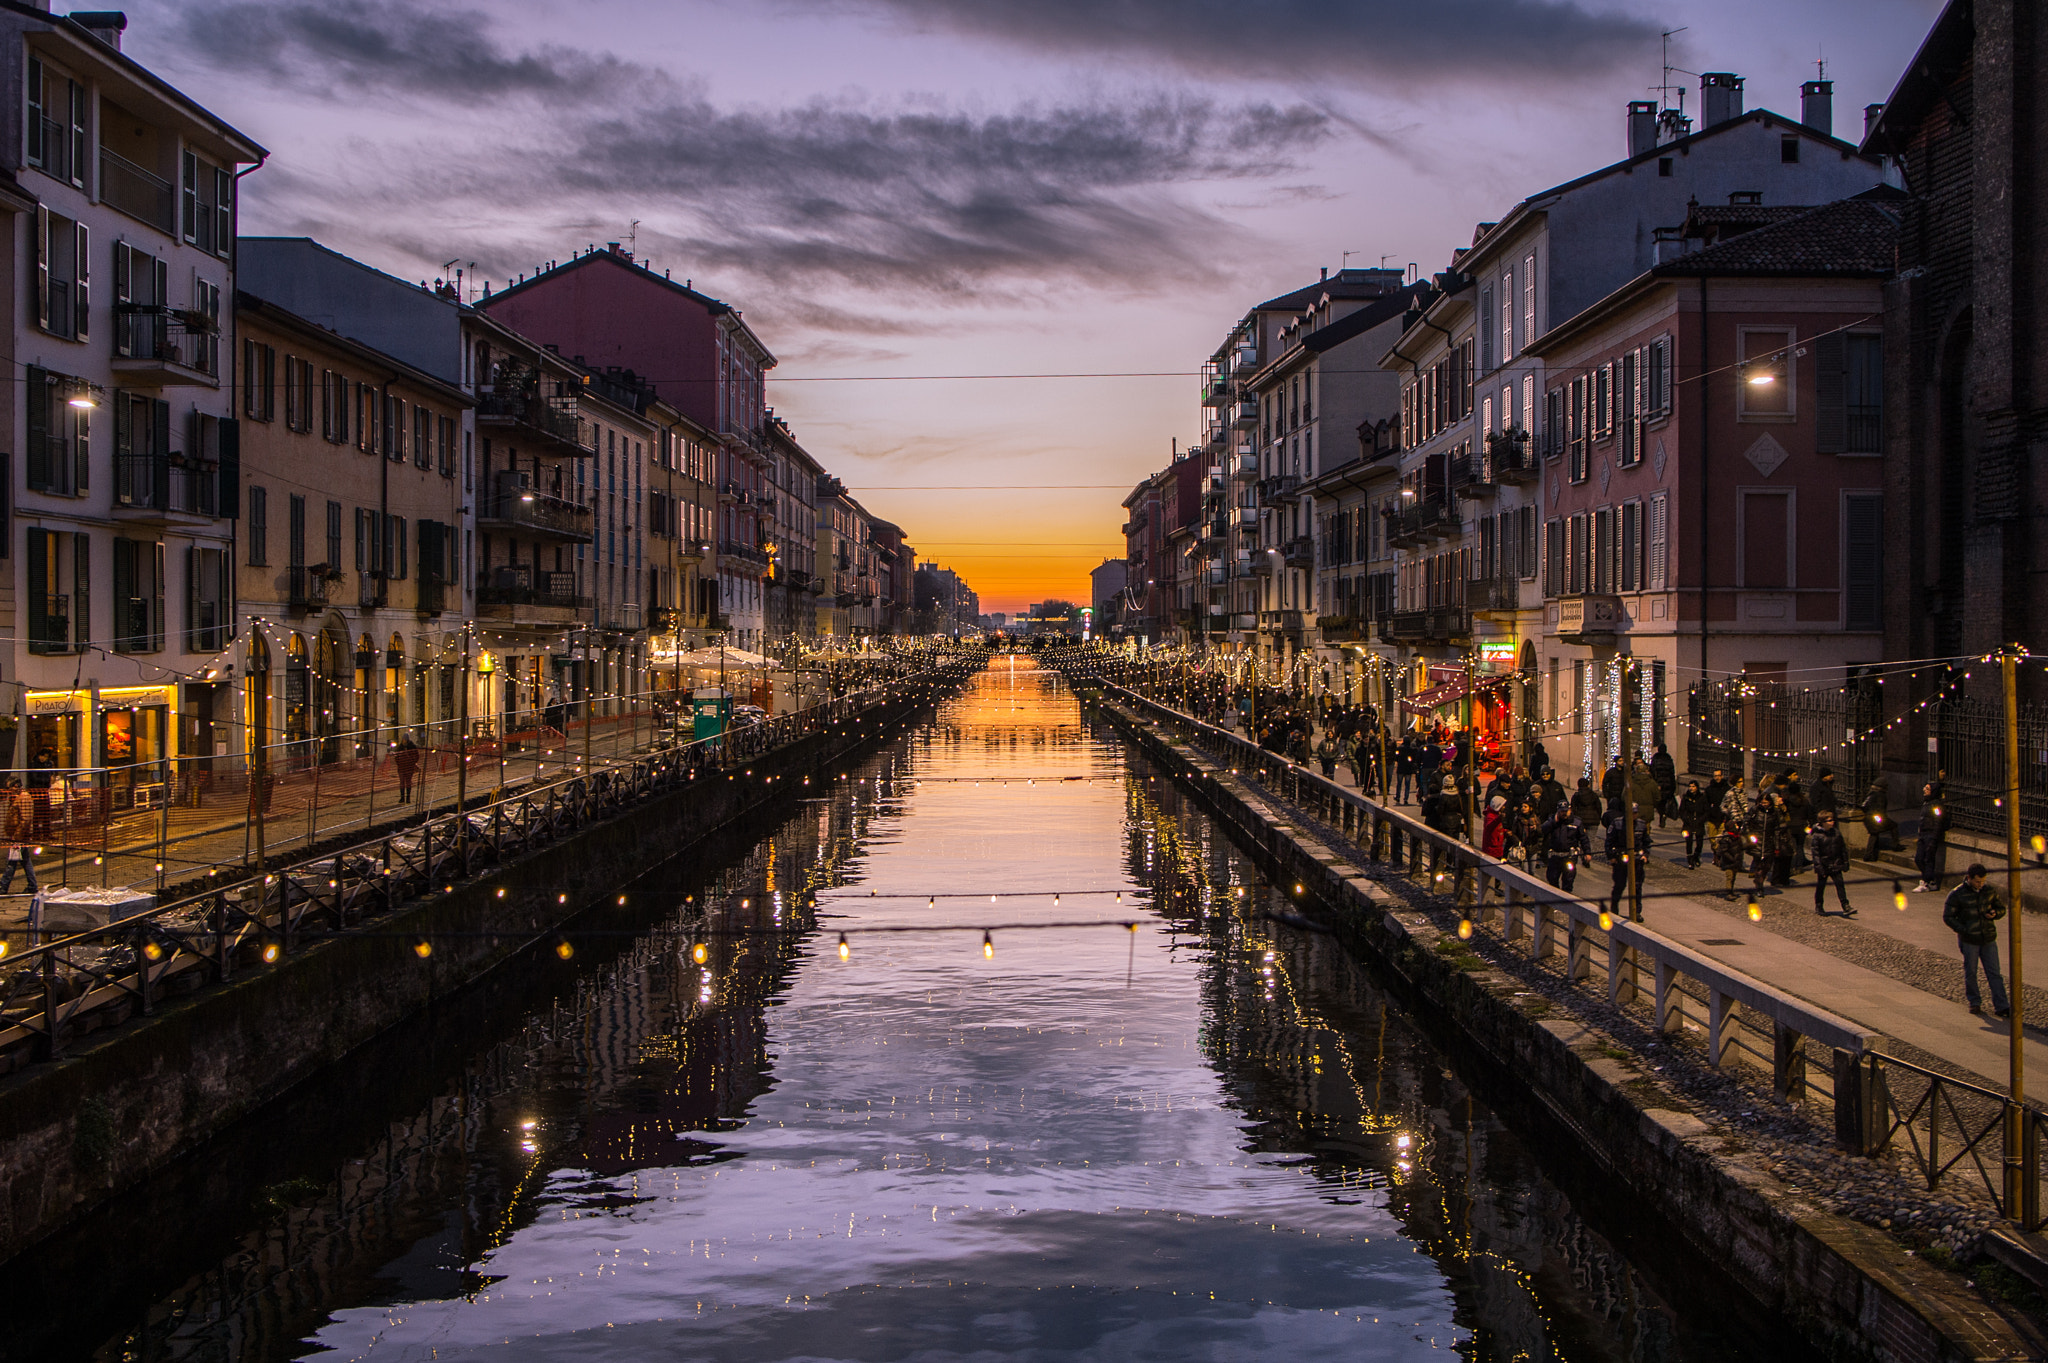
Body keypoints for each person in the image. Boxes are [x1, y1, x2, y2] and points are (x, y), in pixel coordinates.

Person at [1942, 864, 2010, 1018]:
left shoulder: (1988, 891)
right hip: (1969, 939)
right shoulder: (1957, 894)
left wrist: (1995, 913)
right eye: (1978, 881)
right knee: (1971, 971)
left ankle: (2002, 1005)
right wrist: (1964, 929)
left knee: (1994, 973)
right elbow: (1948, 917)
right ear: (1969, 878)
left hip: (1988, 937)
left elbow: (2001, 908)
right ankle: (1975, 1002)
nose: (1981, 885)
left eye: (1983, 881)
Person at [1604, 807, 1650, 922]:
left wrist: (1645, 855)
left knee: (1637, 887)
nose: (1633, 816)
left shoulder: (1641, 825)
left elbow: (1647, 842)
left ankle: (1636, 912)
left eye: (1635, 813)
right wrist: (1612, 857)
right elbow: (1609, 841)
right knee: (1619, 885)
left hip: (1636, 860)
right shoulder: (1617, 823)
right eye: (1631, 813)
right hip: (1621, 859)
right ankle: (1614, 908)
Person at [1808, 809, 1854, 916]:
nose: (1832, 822)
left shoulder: (1836, 833)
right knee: (1821, 886)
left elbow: (1842, 848)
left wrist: (1845, 862)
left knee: (1840, 885)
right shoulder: (1817, 836)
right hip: (1824, 865)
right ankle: (1819, 905)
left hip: (1836, 863)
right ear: (1823, 822)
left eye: (1832, 820)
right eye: (1829, 821)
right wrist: (1819, 867)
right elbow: (1816, 854)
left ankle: (1845, 905)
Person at [0, 780, 38, 895]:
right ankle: (32, 885)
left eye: (10, 788)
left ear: (15, 786)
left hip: (20, 837)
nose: (9, 791)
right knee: (25, 861)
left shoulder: (24, 798)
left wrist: (17, 837)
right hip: (19, 836)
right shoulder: (20, 798)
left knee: (12, 862)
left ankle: (3, 886)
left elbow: (25, 819)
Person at [1542, 807, 1590, 892]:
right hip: (1555, 855)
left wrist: (1587, 852)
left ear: (1570, 810)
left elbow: (1584, 838)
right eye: (1562, 811)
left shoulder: (1576, 822)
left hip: (1569, 856)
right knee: (1552, 878)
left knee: (1568, 879)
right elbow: (1542, 830)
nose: (1564, 813)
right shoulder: (1553, 820)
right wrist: (1553, 821)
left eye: (1566, 811)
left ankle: (1566, 899)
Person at [1914, 782, 1951, 893]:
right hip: (1923, 835)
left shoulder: (1937, 805)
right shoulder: (1926, 803)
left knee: (1928, 859)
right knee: (1919, 859)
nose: (1924, 790)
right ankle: (1929, 879)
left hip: (1930, 835)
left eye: (1928, 788)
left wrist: (1933, 839)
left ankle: (1926, 882)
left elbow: (1938, 822)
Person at [1859, 777, 1896, 859]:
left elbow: (1863, 806)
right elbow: (1881, 809)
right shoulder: (1881, 795)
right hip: (1876, 818)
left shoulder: (1870, 794)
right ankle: (1895, 845)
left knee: (1874, 833)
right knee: (1893, 826)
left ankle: (1871, 853)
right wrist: (1881, 818)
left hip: (1868, 818)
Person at [1677, 780, 1709, 869]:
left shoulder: (1702, 797)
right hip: (1688, 824)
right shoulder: (1686, 798)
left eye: (1693, 786)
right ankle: (1690, 859)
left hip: (1699, 823)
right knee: (1689, 841)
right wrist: (1686, 818)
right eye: (1690, 786)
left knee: (1699, 842)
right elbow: (1681, 811)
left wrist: (1701, 819)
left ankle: (1696, 856)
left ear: (1697, 787)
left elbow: (1706, 811)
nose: (1691, 788)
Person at [1650, 743, 1677, 826]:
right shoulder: (1668, 758)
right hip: (1667, 783)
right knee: (1665, 800)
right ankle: (1664, 814)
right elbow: (1672, 772)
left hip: (1659, 783)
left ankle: (1662, 814)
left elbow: (1653, 771)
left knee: (1659, 801)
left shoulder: (1656, 758)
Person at [394, 733, 423, 802]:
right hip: (401, 767)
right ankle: (402, 797)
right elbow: (397, 757)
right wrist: (399, 763)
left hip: (409, 767)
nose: (404, 740)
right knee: (402, 782)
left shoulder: (412, 746)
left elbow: (416, 756)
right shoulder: (400, 747)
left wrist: (412, 762)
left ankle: (408, 797)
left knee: (408, 782)